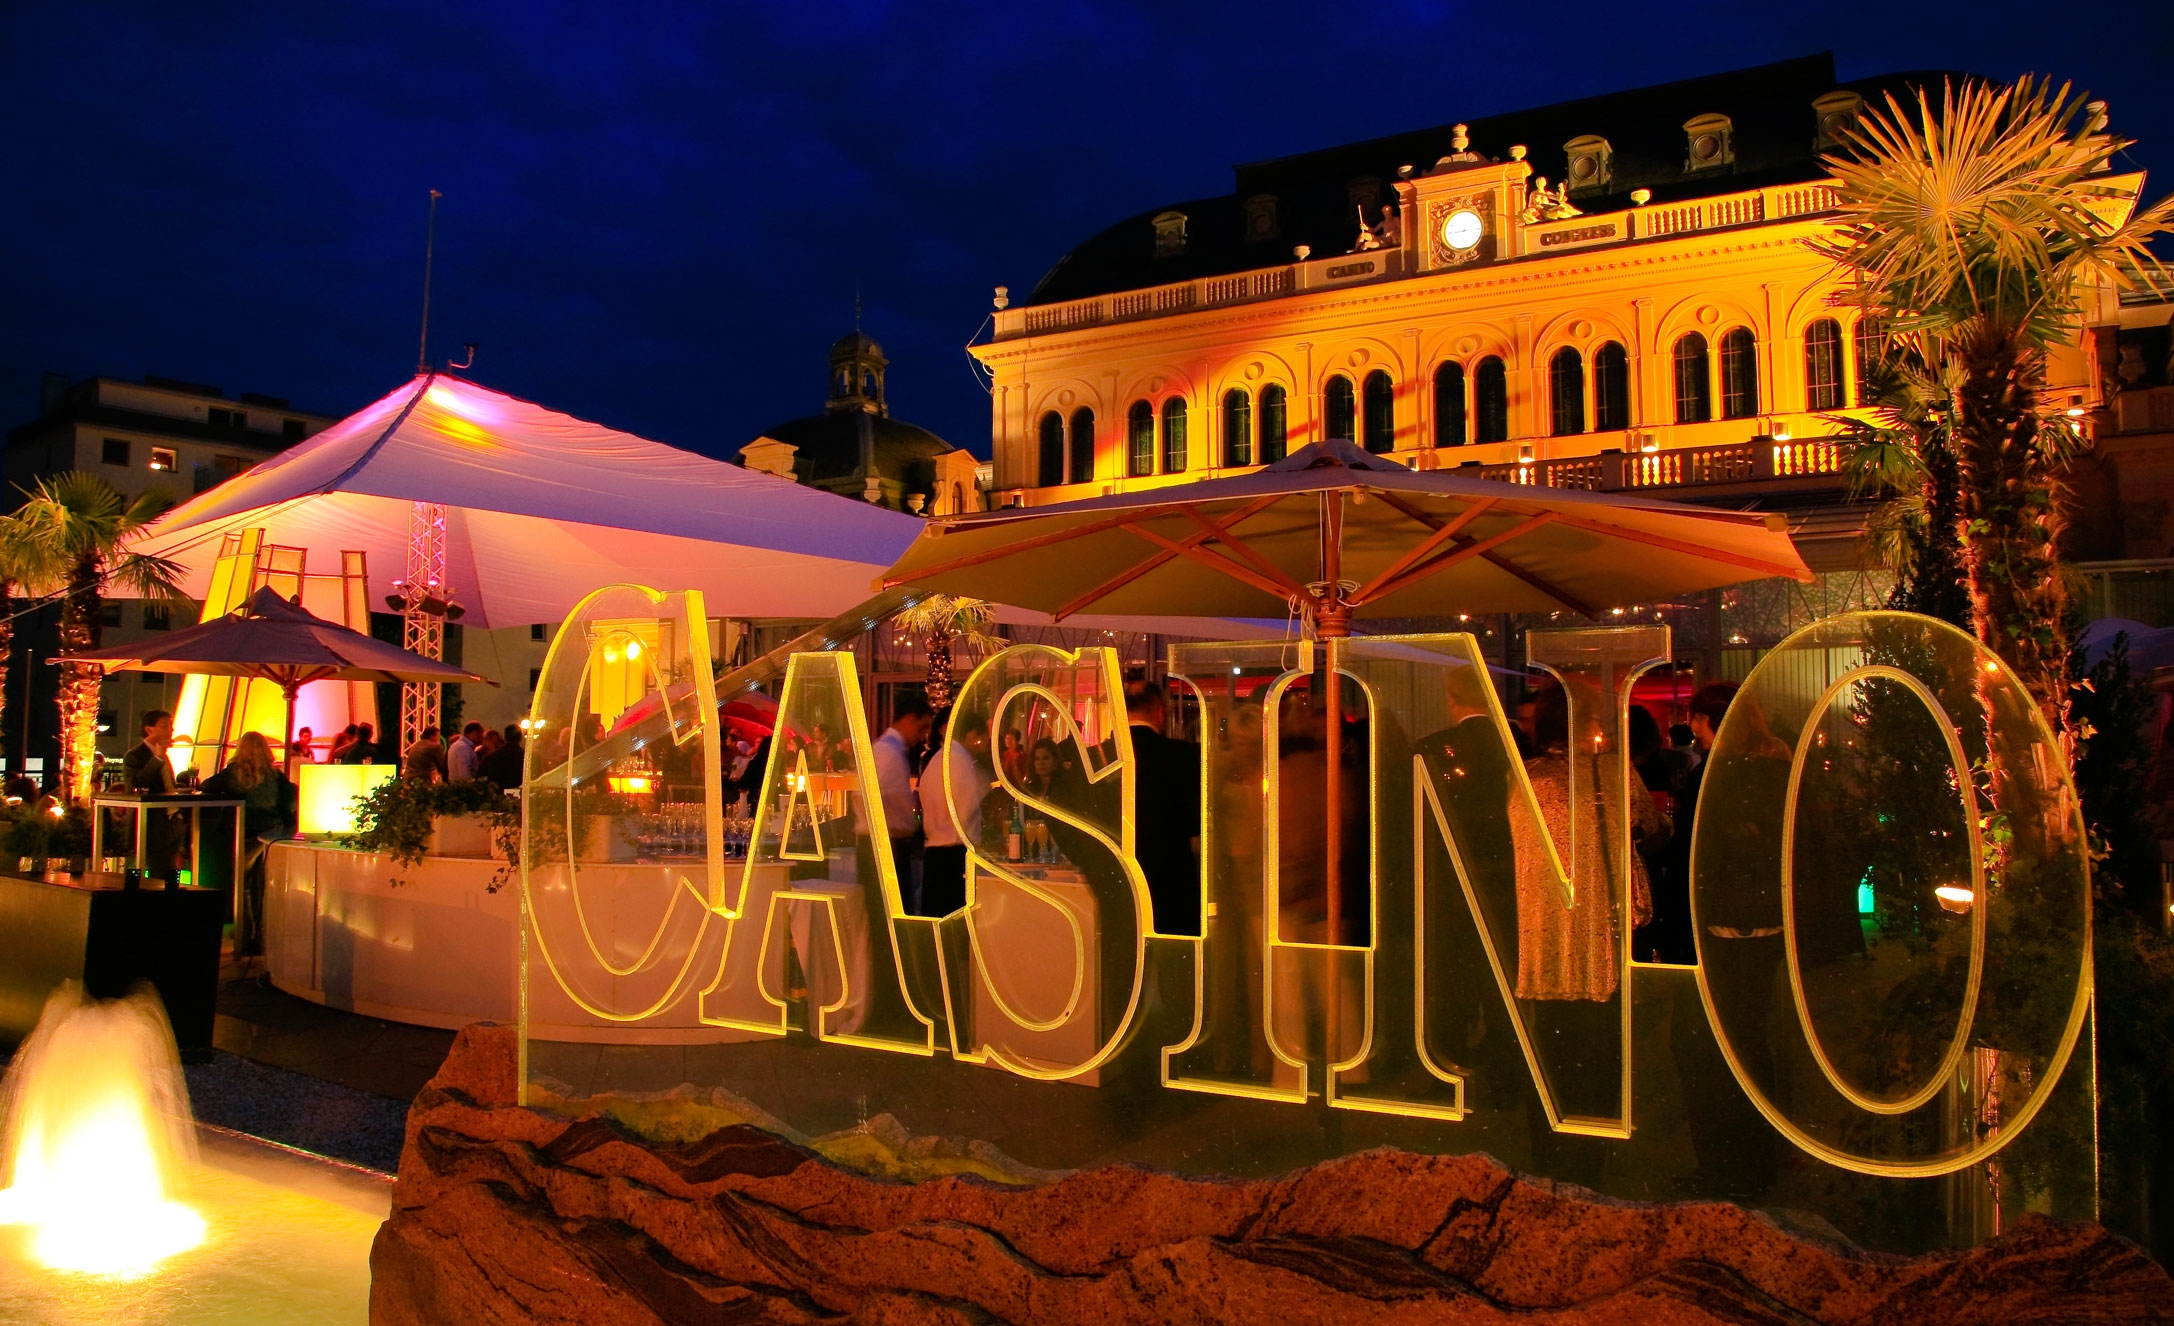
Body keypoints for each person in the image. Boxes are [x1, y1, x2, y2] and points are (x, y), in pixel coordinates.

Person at [200, 731, 297, 961]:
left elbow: (206, 785)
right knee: (261, 887)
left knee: (241, 886)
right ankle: (261, 938)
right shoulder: (275, 775)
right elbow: (291, 801)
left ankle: (243, 937)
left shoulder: (234, 773)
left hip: (245, 832)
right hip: (272, 834)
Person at [1125, 679, 1202, 935]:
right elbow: (1196, 825)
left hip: (1122, 882)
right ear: (1159, 711)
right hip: (1173, 881)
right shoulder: (1182, 756)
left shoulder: (1104, 757)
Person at [919, 710, 990, 917]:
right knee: (957, 923)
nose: (984, 746)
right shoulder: (960, 760)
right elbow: (965, 811)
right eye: (983, 739)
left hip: (934, 853)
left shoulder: (938, 759)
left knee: (937, 921)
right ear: (972, 735)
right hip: (955, 855)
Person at [866, 695, 934, 907]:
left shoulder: (886, 749)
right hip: (888, 846)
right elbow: (870, 799)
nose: (923, 736)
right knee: (894, 913)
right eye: (922, 728)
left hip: (887, 844)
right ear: (909, 719)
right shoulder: (888, 753)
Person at [479, 723, 525, 789]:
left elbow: (481, 777)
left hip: (498, 792)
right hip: (520, 792)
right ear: (520, 738)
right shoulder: (525, 757)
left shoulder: (492, 756)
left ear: (505, 737)